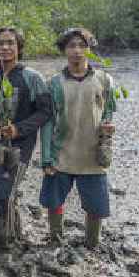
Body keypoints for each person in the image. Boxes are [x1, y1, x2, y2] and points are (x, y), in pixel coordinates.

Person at [40, 28, 116, 249]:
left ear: (89, 50)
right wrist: (46, 157)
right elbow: (48, 123)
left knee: (96, 206)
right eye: (71, 46)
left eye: (82, 46)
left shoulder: (104, 80)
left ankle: (92, 243)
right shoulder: (53, 83)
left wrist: (108, 127)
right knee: (53, 201)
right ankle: (55, 239)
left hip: (92, 157)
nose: (77, 51)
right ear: (64, 50)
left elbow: (109, 111)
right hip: (61, 154)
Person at [0, 27, 52, 252]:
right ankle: (15, 235)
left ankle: (4, 247)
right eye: (0, 43)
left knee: (4, 193)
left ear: (19, 47)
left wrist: (19, 129)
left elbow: (45, 112)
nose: (5, 47)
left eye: (10, 43)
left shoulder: (32, 77)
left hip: (19, 147)